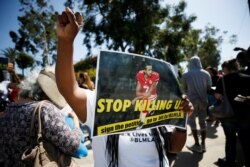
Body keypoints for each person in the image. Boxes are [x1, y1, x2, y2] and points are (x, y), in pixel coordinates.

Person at [56, 7, 194, 167]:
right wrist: (66, 41)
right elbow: (68, 89)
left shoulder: (157, 105)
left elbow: (174, 147)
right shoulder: (100, 103)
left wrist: (182, 122)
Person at [0, 68, 88, 166]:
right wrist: (76, 122)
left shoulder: (9, 109)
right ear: (46, 93)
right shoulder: (44, 110)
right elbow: (73, 146)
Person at [214, 59, 250, 167]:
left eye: (223, 69)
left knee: (230, 139)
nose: (222, 71)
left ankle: (230, 162)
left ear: (227, 68)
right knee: (246, 140)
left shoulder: (223, 80)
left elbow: (217, 95)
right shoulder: (247, 78)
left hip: (228, 115)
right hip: (245, 114)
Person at [182, 56, 212, 153]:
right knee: (203, 123)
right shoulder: (206, 73)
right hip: (203, 101)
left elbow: (184, 89)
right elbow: (209, 87)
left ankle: (197, 144)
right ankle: (203, 145)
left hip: (192, 101)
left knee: (192, 122)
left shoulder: (186, 74)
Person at [132, 63, 160, 129]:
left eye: (151, 70)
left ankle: (142, 121)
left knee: (144, 108)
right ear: (144, 71)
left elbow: (149, 93)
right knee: (143, 109)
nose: (150, 71)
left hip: (152, 95)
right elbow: (138, 90)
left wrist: (136, 98)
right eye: (148, 70)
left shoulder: (155, 75)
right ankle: (150, 110)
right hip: (145, 93)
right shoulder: (140, 74)